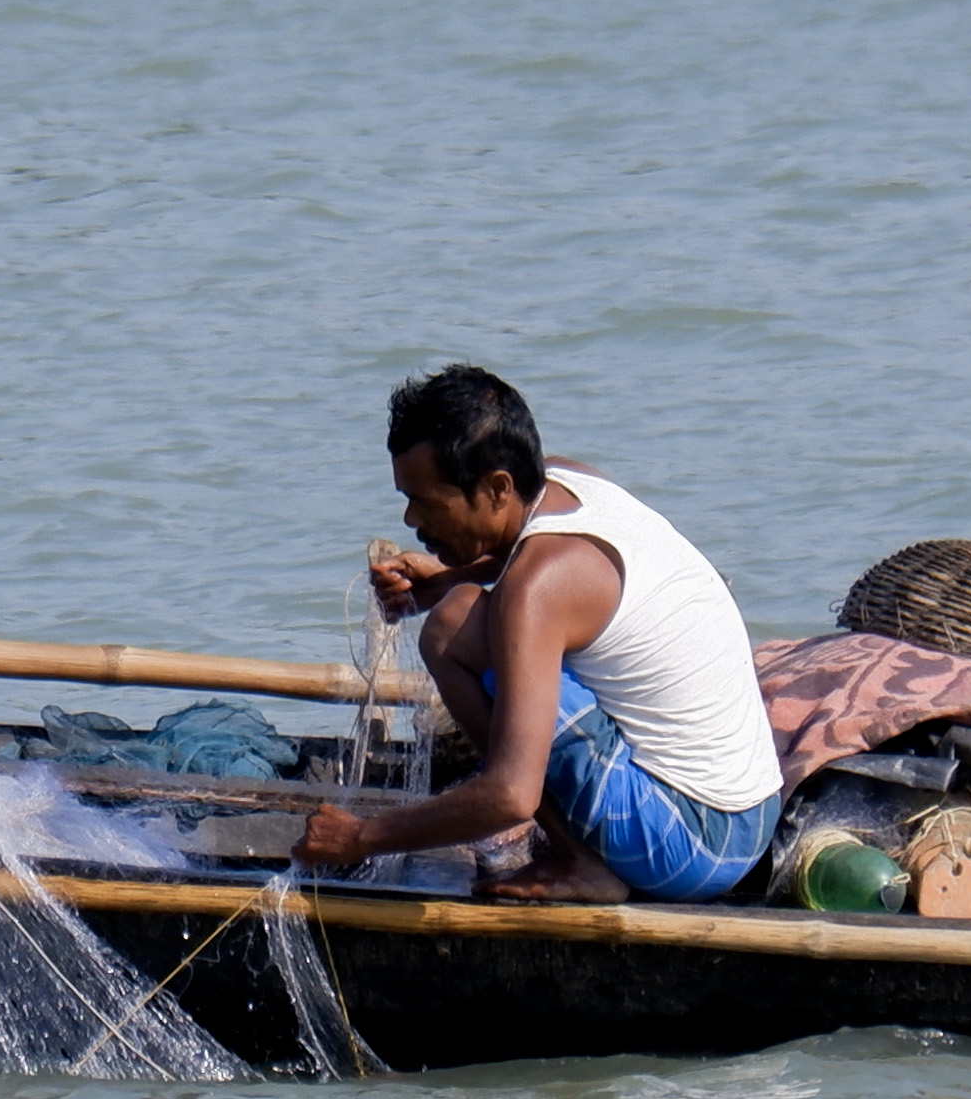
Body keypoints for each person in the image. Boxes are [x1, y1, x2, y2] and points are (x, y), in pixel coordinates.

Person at [293, 364, 785, 902]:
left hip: (691, 843)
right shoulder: (566, 482)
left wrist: (362, 838)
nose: (412, 519)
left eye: (429, 503)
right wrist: (454, 577)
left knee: (450, 630)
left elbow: (509, 796)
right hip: (753, 814)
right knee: (463, 607)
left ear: (498, 488)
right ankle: (582, 850)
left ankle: (581, 863)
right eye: (406, 499)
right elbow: (536, 567)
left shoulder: (537, 587)